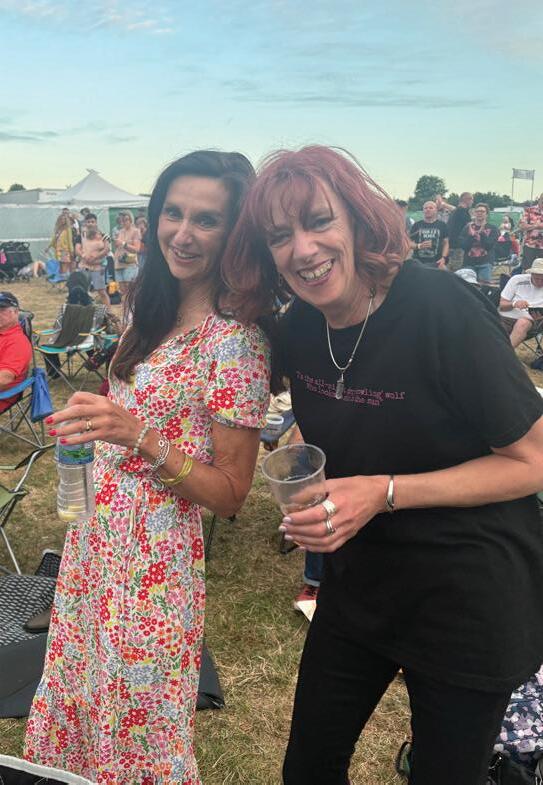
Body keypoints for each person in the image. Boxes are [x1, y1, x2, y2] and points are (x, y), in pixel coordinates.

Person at [222, 145, 543, 785]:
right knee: (308, 770)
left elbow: (534, 459)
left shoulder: (440, 307)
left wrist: (384, 491)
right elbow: (326, 414)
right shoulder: (300, 329)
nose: (303, 249)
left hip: (469, 592)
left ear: (358, 219)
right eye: (279, 236)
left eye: (319, 221)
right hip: (361, 584)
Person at [24, 150, 272, 785]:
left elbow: (231, 494)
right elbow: (133, 401)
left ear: (234, 233)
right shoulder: (148, 306)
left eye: (206, 220)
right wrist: (97, 418)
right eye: (173, 213)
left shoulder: (235, 341)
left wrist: (138, 436)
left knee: (136, 715)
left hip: (154, 557)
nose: (182, 234)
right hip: (96, 537)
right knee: (82, 687)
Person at [498, 257, 543, 347]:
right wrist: (514, 304)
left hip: (532, 322)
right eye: (537, 278)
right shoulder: (517, 280)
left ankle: (505, 353)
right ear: (531, 274)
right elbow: (502, 305)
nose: (540, 282)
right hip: (505, 318)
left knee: (522, 323)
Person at [0, 291, 32, 414]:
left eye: (2, 310)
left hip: (3, 396)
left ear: (16, 312)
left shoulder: (17, 342)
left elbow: (4, 379)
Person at [459, 202, 499, 283]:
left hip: (485, 263)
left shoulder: (493, 228)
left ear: (486, 214)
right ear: (474, 213)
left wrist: (482, 234)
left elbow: (489, 246)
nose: (479, 213)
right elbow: (463, 246)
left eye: (482, 211)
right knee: (468, 287)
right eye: (477, 211)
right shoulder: (467, 228)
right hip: (469, 263)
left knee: (484, 287)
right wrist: (471, 236)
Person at [409, 200, 449, 268]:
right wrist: (419, 246)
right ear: (423, 211)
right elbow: (408, 243)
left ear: (436, 210)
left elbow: (446, 243)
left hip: (437, 262)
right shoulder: (417, 225)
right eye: (425, 208)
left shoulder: (442, 225)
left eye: (431, 208)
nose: (428, 210)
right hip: (418, 262)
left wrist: (443, 258)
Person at [78, 226, 111, 306]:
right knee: (83, 289)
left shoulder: (103, 238)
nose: (99, 235)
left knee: (101, 291)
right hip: (85, 267)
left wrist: (95, 257)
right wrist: (84, 256)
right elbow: (78, 249)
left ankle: (108, 310)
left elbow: (107, 249)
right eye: (97, 234)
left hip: (97, 268)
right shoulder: (83, 238)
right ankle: (84, 309)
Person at [113, 211, 141, 297]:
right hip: (119, 263)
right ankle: (124, 305)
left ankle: (132, 305)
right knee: (122, 291)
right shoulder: (120, 232)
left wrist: (123, 243)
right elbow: (117, 246)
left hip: (130, 263)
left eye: (126, 220)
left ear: (131, 220)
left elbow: (136, 249)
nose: (123, 222)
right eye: (121, 220)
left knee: (130, 290)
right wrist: (116, 243)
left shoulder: (136, 231)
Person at [447, 191, 474, 271]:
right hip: (458, 246)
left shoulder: (455, 211)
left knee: (449, 269)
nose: (472, 202)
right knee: (456, 271)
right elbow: (469, 228)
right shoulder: (463, 212)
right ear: (467, 199)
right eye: (472, 200)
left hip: (450, 244)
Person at [48, 209, 79, 275]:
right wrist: (49, 247)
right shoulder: (58, 229)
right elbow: (54, 239)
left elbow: (69, 241)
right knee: (61, 266)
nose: (62, 221)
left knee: (65, 266)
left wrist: (71, 251)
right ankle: (62, 277)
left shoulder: (68, 229)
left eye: (64, 219)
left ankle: (67, 277)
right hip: (59, 250)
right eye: (61, 219)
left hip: (65, 250)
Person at [519, 193, 543, 271]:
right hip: (530, 246)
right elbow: (522, 226)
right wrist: (536, 226)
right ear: (539, 200)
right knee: (527, 271)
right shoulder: (529, 210)